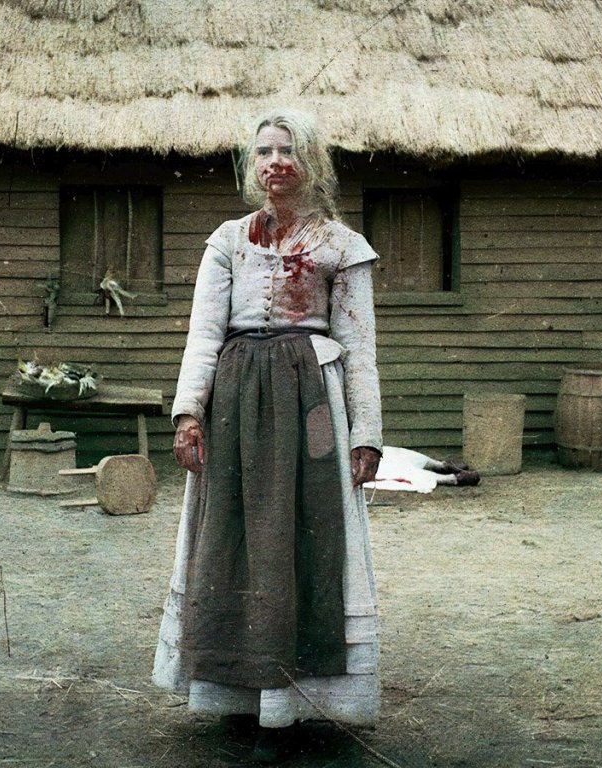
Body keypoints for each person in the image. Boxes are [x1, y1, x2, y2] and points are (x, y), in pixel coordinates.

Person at [152, 108, 383, 761]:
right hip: (234, 405)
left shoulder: (341, 246)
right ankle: (237, 693)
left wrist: (366, 433)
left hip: (312, 408)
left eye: (289, 151)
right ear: (251, 165)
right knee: (229, 540)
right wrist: (188, 414)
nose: (276, 162)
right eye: (264, 151)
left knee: (306, 537)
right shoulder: (228, 241)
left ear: (313, 162)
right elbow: (203, 335)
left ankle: (294, 702)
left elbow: (360, 349)